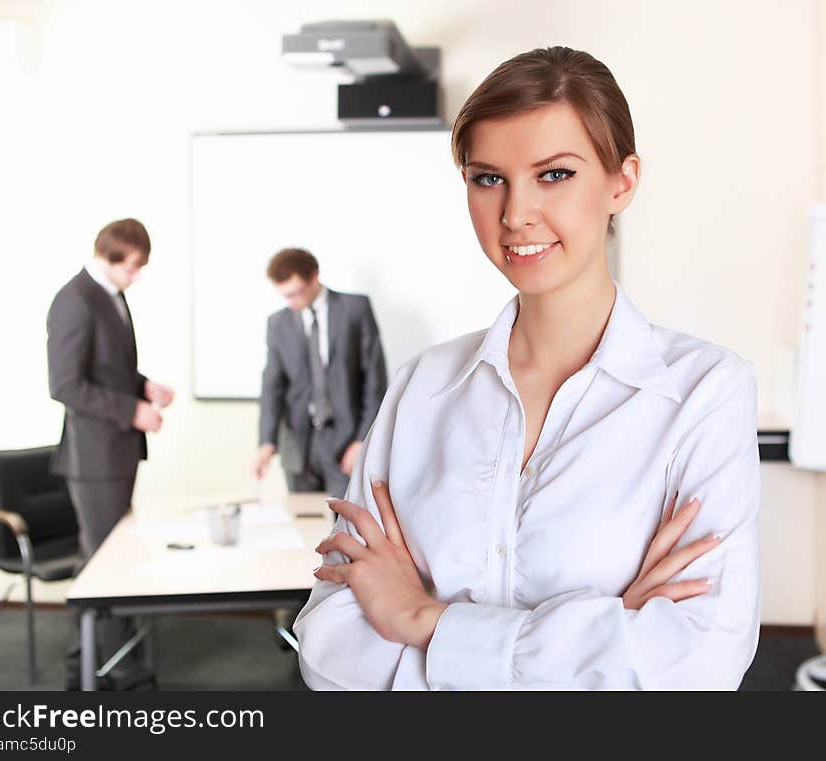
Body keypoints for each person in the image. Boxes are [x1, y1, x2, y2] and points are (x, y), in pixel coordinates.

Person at [294, 46, 761, 690]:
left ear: (621, 181)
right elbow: (327, 648)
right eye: (488, 178)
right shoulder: (422, 388)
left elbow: (697, 667)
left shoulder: (705, 393)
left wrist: (423, 621)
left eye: (555, 175)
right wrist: (608, 632)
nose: (515, 214)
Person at [47, 218, 174, 690]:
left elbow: (108, 369)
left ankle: (84, 669)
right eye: (134, 266)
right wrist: (133, 411)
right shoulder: (75, 300)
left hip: (115, 455)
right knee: (106, 566)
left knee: (96, 563)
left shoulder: (110, 296)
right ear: (111, 255)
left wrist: (145, 387)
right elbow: (65, 385)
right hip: (94, 459)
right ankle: (121, 670)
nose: (137, 276)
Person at [252, 247, 388, 499]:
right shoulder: (278, 323)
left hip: (345, 441)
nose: (291, 302)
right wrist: (266, 443)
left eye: (296, 293)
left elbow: (374, 380)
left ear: (314, 276)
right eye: (285, 296)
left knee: (345, 526)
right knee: (303, 526)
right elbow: (272, 385)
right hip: (299, 445)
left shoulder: (355, 309)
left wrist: (363, 440)